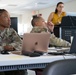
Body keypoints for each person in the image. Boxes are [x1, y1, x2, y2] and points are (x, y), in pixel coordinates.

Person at [0, 9, 27, 75]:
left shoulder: (11, 31)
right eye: (5, 17)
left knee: (21, 69)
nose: (9, 19)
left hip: (10, 60)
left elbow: (20, 43)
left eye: (9, 17)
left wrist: (12, 46)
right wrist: (4, 48)